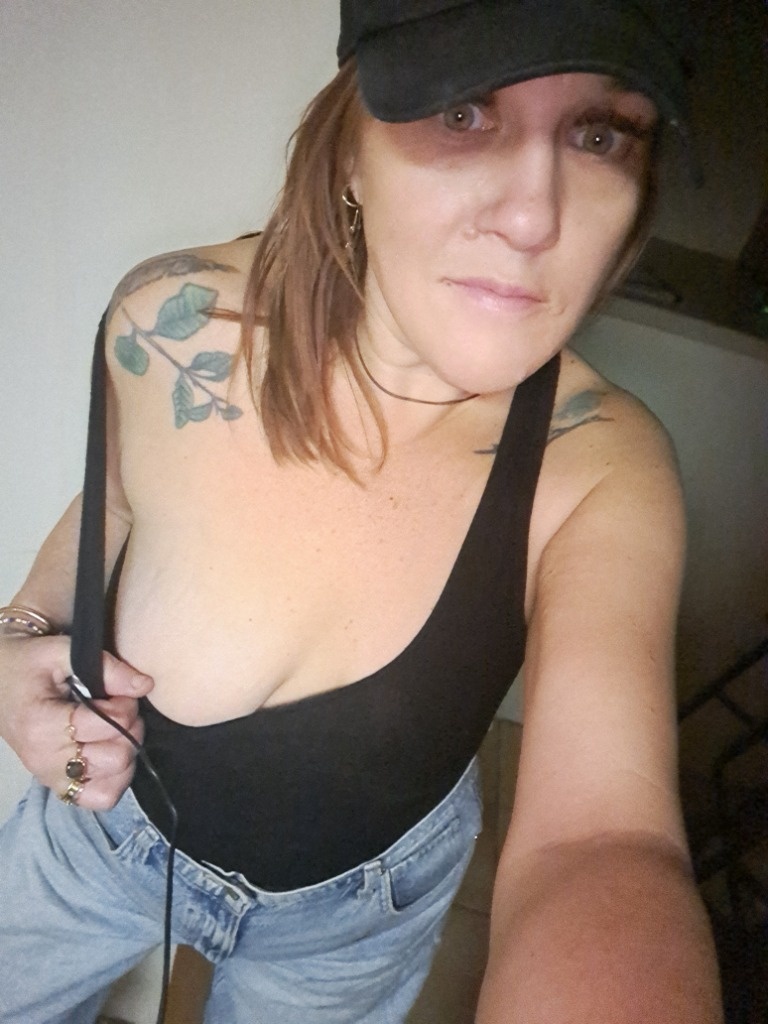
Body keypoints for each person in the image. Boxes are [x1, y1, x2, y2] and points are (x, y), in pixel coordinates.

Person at [0, 1, 723, 1022]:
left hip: (349, 926)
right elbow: (115, 501)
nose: (534, 218)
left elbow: (599, 840)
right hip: (99, 832)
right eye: (464, 115)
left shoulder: (601, 471)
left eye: (599, 136)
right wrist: (18, 636)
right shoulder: (168, 324)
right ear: (346, 149)